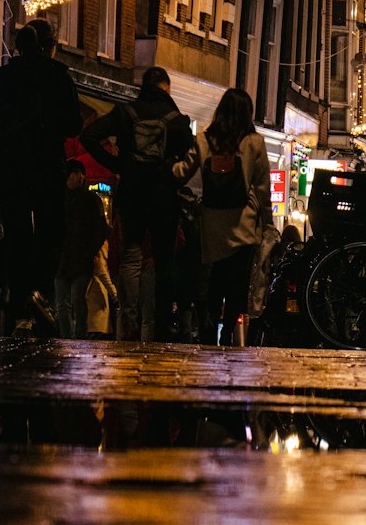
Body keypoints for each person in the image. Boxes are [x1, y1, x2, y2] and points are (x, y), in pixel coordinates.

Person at [80, 66, 194, 340]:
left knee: (131, 258)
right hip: (163, 197)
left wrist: (118, 164)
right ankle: (163, 324)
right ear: (165, 89)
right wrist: (174, 178)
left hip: (132, 194)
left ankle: (127, 323)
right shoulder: (176, 119)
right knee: (164, 261)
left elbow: (89, 135)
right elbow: (192, 155)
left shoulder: (125, 112)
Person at [0, 19, 82, 330]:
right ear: (50, 46)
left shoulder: (4, 75)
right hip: (43, 163)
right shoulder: (56, 75)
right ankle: (40, 294)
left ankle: (19, 306)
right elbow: (73, 125)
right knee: (51, 231)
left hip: (8, 163)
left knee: (16, 234)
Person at [174, 87, 274, 346]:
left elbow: (182, 171)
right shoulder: (254, 143)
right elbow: (263, 187)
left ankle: (208, 324)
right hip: (244, 219)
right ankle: (228, 330)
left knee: (215, 277)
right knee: (238, 281)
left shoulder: (204, 139)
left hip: (213, 220)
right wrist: (268, 221)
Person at [54, 159, 109, 339]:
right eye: (78, 173)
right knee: (66, 302)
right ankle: (71, 337)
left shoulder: (88, 199)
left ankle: (74, 337)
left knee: (73, 301)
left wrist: (88, 252)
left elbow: (101, 229)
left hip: (75, 258)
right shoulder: (81, 199)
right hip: (68, 258)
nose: (81, 177)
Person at [85, 240, 117, 340]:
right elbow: (101, 269)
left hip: (93, 288)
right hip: (96, 291)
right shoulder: (100, 243)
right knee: (96, 327)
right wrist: (114, 293)